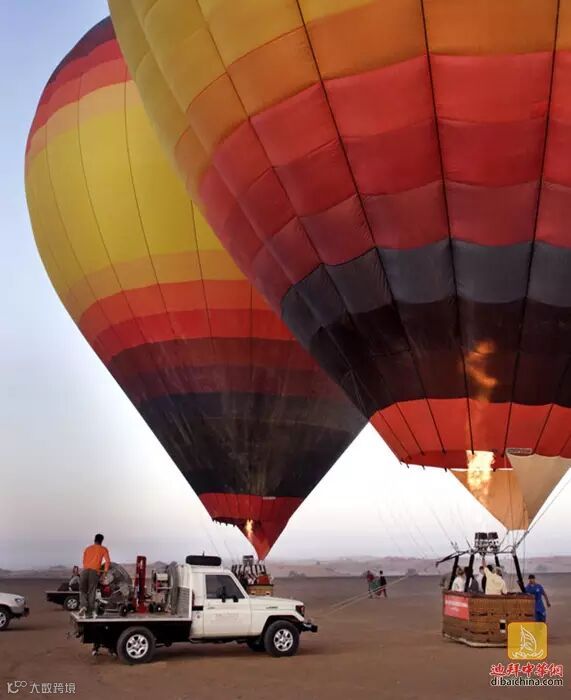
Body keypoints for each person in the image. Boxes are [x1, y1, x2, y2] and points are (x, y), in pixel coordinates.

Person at [79, 534, 110, 618]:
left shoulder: (88, 549)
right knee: (91, 592)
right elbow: (107, 562)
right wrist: (104, 573)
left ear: (94, 539)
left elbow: (84, 561)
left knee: (83, 590)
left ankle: (83, 606)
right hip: (94, 572)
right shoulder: (103, 549)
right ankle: (89, 613)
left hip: (84, 571)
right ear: (101, 541)